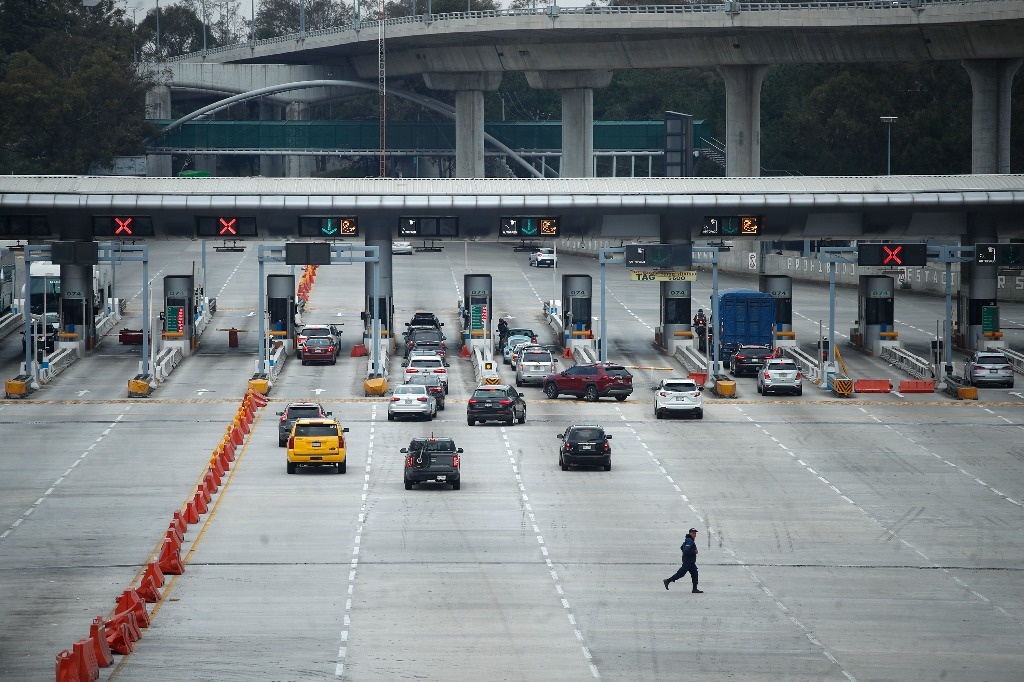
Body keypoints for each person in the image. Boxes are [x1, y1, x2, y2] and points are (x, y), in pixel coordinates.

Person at [663, 527, 703, 593]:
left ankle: (695, 589)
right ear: (690, 533)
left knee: (695, 574)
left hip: (691, 563)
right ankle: (668, 581)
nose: (694, 535)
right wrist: (694, 552)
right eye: (693, 533)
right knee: (681, 574)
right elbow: (686, 551)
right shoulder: (689, 541)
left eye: (695, 533)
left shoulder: (688, 540)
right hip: (687, 562)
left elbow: (682, 547)